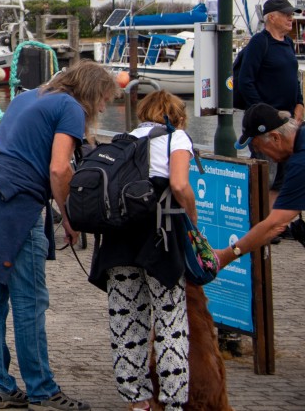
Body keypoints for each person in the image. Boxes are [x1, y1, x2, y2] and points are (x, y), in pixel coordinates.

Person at [0, 59, 118, 411]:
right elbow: (59, 167)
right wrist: (69, 216)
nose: (104, 107)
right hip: (16, 201)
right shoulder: (71, 108)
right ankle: (42, 390)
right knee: (29, 300)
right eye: (104, 99)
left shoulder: (27, 97)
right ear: (91, 93)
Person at [88, 91, 196, 411]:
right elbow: (179, 185)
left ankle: (137, 402)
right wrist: (193, 219)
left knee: (126, 321)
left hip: (118, 238)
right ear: (177, 116)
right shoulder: (177, 138)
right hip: (159, 236)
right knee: (170, 320)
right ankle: (174, 401)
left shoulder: (123, 139)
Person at [216, 103, 305, 271]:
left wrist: (225, 256)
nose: (258, 152)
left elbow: (274, 225)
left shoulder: (300, 163)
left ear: (275, 138)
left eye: (257, 147)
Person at [236, 0, 303, 191]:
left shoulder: (288, 43)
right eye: (286, 15)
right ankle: (263, 219)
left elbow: (293, 76)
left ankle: (285, 219)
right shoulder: (259, 42)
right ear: (271, 18)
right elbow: (245, 81)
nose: (291, 18)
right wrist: (267, 114)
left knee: (288, 178)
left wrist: (300, 103)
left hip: (289, 123)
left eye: (292, 14)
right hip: (268, 125)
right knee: (268, 179)